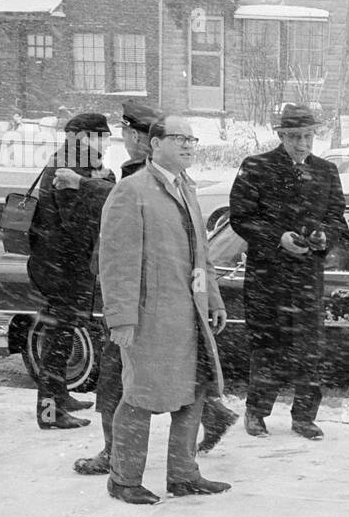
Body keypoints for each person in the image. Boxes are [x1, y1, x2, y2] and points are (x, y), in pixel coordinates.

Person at [71, 101, 239, 475]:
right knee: (139, 396)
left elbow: (202, 257)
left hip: (188, 316)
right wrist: (121, 320)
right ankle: (125, 479)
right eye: (180, 138)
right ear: (156, 143)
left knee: (193, 393)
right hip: (149, 319)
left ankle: (183, 475)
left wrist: (214, 298)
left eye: (193, 140)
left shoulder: (187, 189)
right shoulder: (132, 191)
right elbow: (117, 263)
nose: (189, 146)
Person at [230, 103, 346, 440]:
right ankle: (256, 412)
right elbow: (240, 217)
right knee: (268, 346)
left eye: (308, 136)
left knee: (309, 349)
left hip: (308, 278)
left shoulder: (326, 171)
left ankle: (305, 417)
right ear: (281, 136)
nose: (303, 144)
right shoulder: (256, 167)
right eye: (295, 137)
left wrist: (326, 236)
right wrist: (277, 237)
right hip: (268, 278)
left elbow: (338, 216)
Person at [26, 113, 112, 428]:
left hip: (58, 265)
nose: (104, 143)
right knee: (56, 339)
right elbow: (78, 221)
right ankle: (50, 414)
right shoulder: (69, 167)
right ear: (79, 137)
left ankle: (59, 397)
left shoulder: (73, 162)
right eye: (98, 136)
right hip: (60, 269)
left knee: (59, 336)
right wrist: (104, 183)